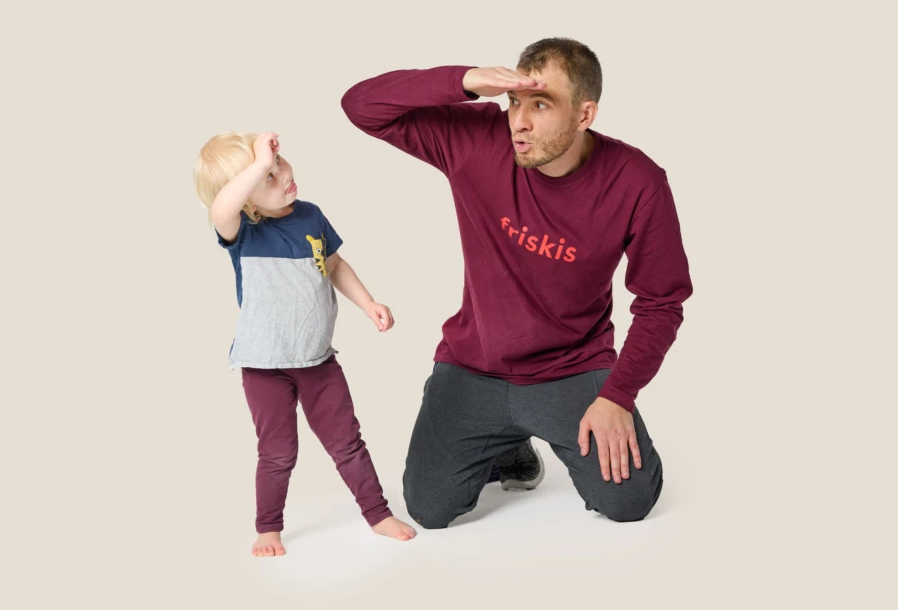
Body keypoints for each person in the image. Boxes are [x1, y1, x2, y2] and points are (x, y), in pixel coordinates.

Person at [341, 38, 693, 528]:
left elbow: (661, 301)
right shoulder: (478, 139)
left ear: (585, 113)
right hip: (474, 367)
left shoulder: (638, 181)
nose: (519, 121)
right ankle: (507, 446)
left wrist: (618, 395)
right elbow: (361, 105)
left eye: (541, 104)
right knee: (429, 509)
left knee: (628, 503)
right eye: (514, 101)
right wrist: (465, 81)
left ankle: (520, 430)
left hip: (573, 369)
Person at [193, 131, 416, 556]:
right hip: (264, 367)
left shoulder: (311, 215)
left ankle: (378, 514)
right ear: (245, 198)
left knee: (347, 442)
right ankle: (268, 528)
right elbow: (220, 209)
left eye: (279, 163)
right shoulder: (243, 230)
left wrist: (367, 302)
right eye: (267, 176)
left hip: (317, 361)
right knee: (277, 453)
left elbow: (334, 263)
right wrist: (260, 163)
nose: (282, 175)